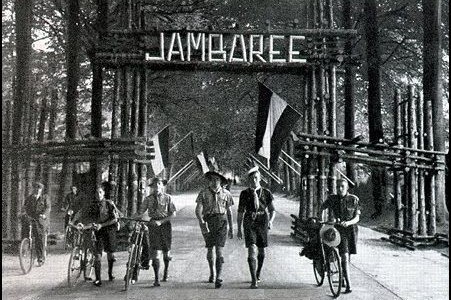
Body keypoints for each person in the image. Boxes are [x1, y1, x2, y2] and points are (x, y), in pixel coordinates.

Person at [69, 185, 118, 286]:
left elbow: (115, 219)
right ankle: (98, 279)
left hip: (109, 229)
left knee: (110, 254)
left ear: (103, 193)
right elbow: (82, 213)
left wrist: (102, 225)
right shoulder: (92, 205)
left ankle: (110, 272)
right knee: (97, 255)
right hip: (97, 231)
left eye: (100, 192)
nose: (98, 195)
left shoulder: (109, 204)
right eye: (96, 193)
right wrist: (75, 222)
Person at [133, 177, 176, 287]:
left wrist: (161, 222)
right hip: (153, 226)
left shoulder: (168, 198)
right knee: (156, 252)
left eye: (159, 184)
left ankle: (165, 272)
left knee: (166, 253)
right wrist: (133, 217)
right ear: (152, 188)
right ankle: (156, 278)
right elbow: (141, 211)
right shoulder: (148, 199)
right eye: (154, 186)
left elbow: (173, 214)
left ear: (162, 186)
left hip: (165, 225)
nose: (157, 187)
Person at [237, 166, 276, 289]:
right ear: (249, 180)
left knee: (261, 250)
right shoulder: (244, 193)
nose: (254, 180)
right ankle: (253, 279)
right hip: (249, 221)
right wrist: (238, 228)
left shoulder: (266, 193)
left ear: (260, 179)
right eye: (252, 178)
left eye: (256, 178)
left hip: (262, 221)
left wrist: (271, 221)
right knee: (252, 248)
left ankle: (258, 272)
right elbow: (240, 212)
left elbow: (272, 210)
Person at [195, 169, 234, 288]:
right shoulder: (203, 193)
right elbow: (198, 210)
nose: (214, 181)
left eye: (217, 179)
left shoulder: (226, 194)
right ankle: (212, 272)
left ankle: (219, 277)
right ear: (209, 181)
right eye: (212, 179)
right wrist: (202, 222)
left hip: (222, 222)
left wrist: (232, 228)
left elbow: (229, 212)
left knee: (219, 250)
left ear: (221, 181)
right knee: (210, 248)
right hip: (208, 221)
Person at [321, 178, 360, 294]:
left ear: (347, 188)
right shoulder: (332, 199)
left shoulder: (354, 199)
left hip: (351, 231)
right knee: (344, 256)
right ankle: (349, 285)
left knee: (347, 257)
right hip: (339, 231)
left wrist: (348, 222)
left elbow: (357, 217)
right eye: (338, 187)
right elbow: (322, 207)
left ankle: (343, 278)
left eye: (342, 186)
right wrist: (322, 218)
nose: (340, 189)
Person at [22, 182, 51, 266]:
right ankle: (24, 249)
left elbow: (48, 208)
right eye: (35, 188)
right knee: (25, 231)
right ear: (33, 189)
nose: (37, 190)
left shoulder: (45, 197)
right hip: (31, 218)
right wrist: (23, 213)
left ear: (41, 190)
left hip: (41, 220)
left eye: (39, 189)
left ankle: (40, 257)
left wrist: (44, 215)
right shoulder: (29, 198)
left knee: (39, 237)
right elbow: (25, 207)